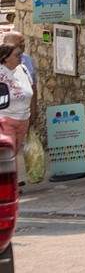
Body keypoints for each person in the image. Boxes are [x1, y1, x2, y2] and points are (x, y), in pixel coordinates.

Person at [0, 36, 31, 180]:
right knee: (8, 154)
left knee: (14, 153)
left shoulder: (23, 69)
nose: (20, 57)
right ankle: (9, 185)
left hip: (23, 118)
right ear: (5, 58)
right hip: (5, 118)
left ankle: (12, 184)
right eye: (17, 55)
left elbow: (32, 88)